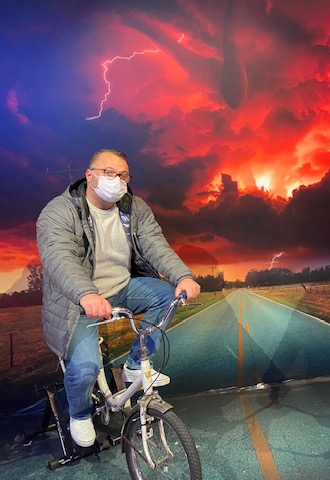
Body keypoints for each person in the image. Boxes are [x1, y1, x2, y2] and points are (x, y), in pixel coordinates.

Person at [36, 149, 201, 448]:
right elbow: (60, 257)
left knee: (165, 295)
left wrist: (182, 276)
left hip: (122, 288)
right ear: (90, 176)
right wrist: (86, 294)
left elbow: (155, 244)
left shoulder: (134, 208)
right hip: (77, 302)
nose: (118, 180)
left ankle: (136, 365)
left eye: (123, 175)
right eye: (109, 173)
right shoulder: (59, 211)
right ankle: (80, 414)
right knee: (85, 369)